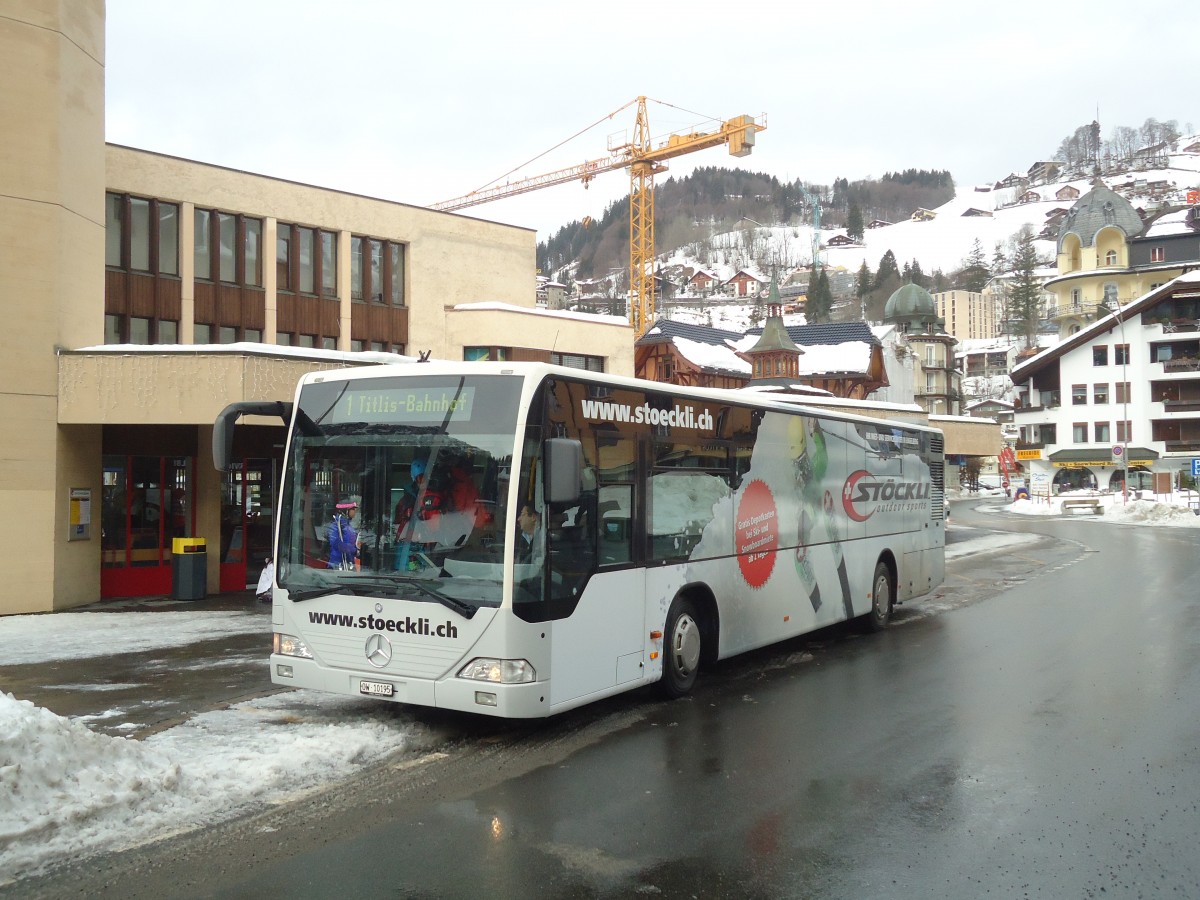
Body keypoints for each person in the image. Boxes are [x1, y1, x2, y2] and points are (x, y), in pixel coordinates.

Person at [327, 501, 359, 570]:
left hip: (348, 564)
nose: (355, 512)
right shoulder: (335, 525)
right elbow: (336, 543)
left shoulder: (348, 526)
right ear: (346, 511)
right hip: (337, 565)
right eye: (353, 509)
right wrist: (354, 550)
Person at [516, 502, 543, 566]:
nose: (519, 519)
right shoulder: (524, 538)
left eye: (522, 514)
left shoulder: (542, 539)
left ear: (533, 517)